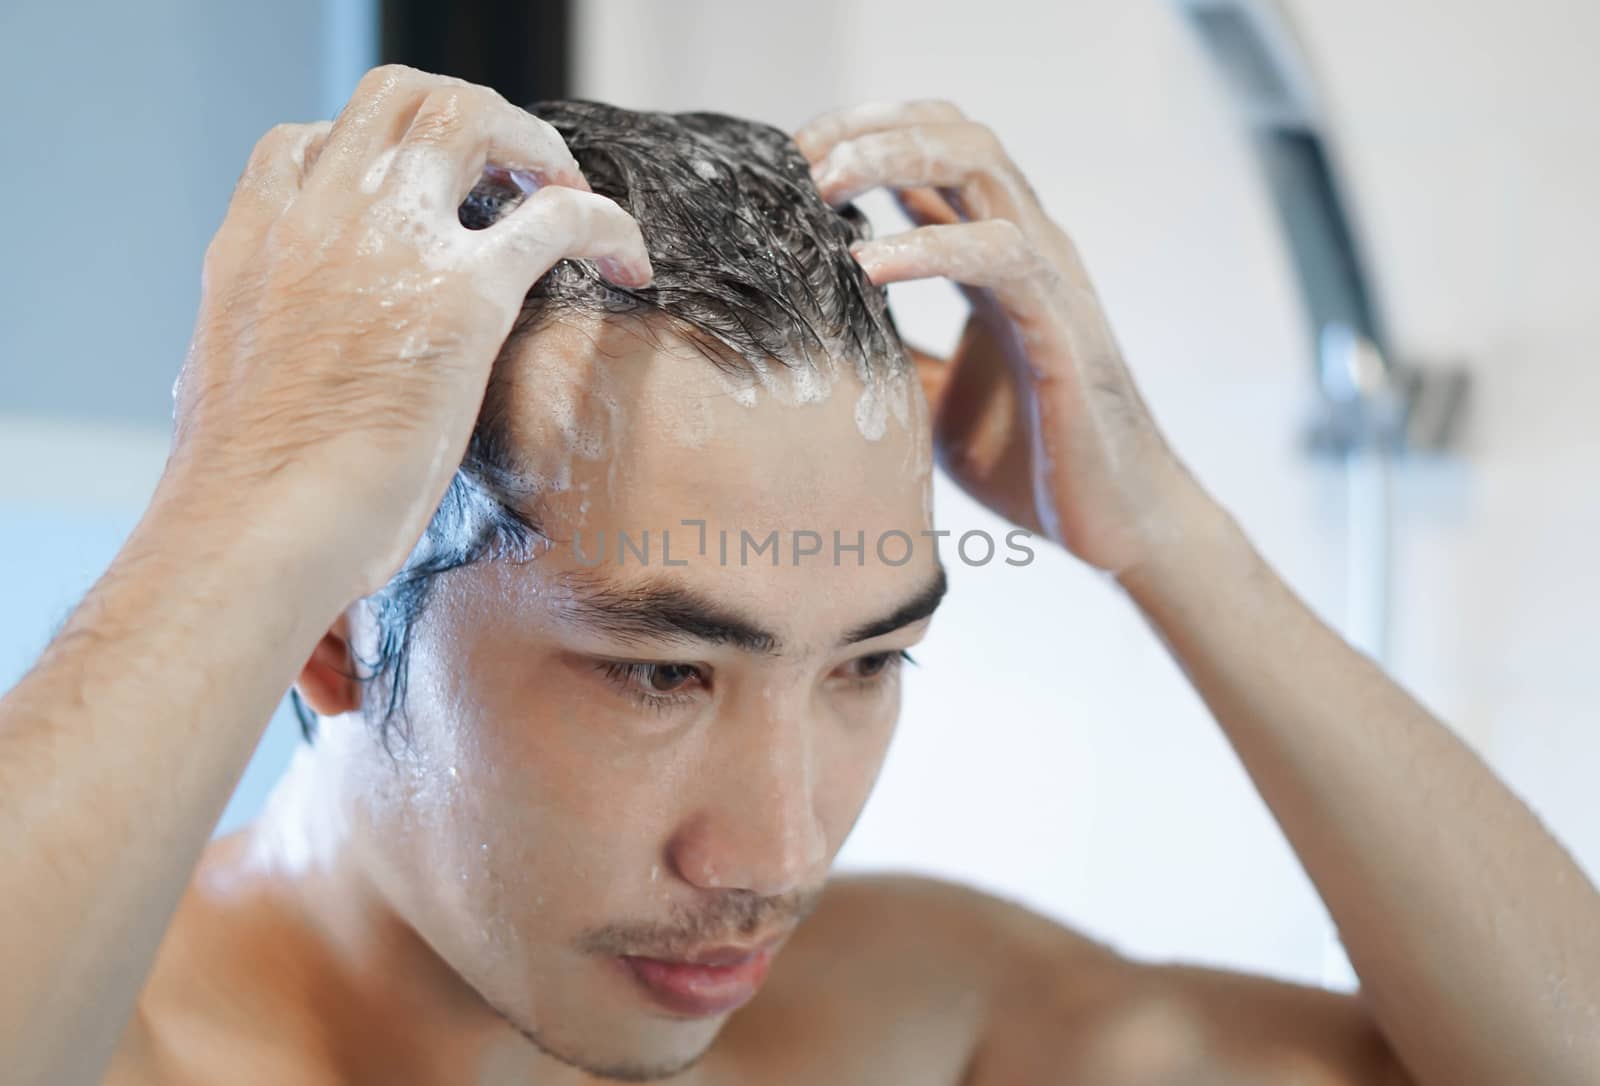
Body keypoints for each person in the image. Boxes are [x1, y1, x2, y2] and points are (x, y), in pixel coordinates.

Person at [2, 64, 1595, 1086]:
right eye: (663, 672)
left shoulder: (901, 1020)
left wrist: (1170, 535)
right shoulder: (116, 1040)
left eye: (865, 665)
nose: (778, 845)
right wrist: (246, 508)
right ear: (342, 628)